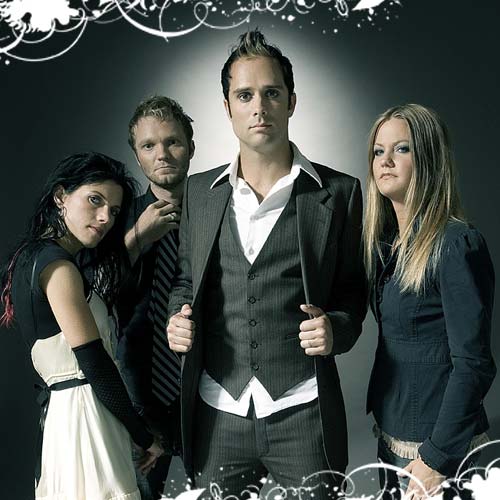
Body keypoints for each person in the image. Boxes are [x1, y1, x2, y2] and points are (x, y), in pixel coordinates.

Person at [166, 29, 367, 499]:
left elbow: (353, 294)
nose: (259, 107)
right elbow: (185, 282)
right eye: (245, 95)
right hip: (219, 409)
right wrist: (177, 317)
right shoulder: (199, 193)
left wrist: (335, 329)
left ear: (291, 102)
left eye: (271, 93)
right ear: (227, 107)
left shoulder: (339, 193)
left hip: (303, 409)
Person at [0, 152, 163, 500]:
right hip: (86, 416)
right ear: (61, 196)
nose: (105, 217)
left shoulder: (32, 257)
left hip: (69, 416)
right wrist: (144, 436)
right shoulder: (58, 268)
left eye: (114, 211)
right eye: (95, 200)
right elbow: (95, 364)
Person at [364, 104, 496, 499]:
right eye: (378, 151)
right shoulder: (387, 247)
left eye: (401, 149)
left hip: (438, 450)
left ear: (429, 159)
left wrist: (436, 458)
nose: (385, 161)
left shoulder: (456, 243)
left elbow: (474, 364)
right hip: (392, 437)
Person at [116, 96, 195, 499]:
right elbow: (92, 291)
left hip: (205, 385)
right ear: (137, 155)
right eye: (149, 145)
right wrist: (137, 238)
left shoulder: (218, 211)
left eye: (172, 142)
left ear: (191, 147)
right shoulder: (117, 218)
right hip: (139, 388)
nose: (161, 154)